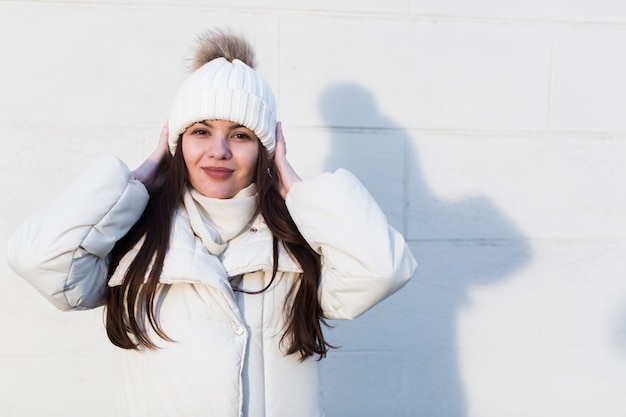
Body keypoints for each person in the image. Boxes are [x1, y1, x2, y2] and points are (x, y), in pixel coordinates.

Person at [7, 29, 417, 417]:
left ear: (265, 150)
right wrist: (136, 180)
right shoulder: (135, 236)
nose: (218, 150)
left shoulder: (298, 241)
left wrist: (297, 189)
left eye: (240, 135)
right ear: (177, 142)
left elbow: (383, 269)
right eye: (201, 131)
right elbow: (38, 260)